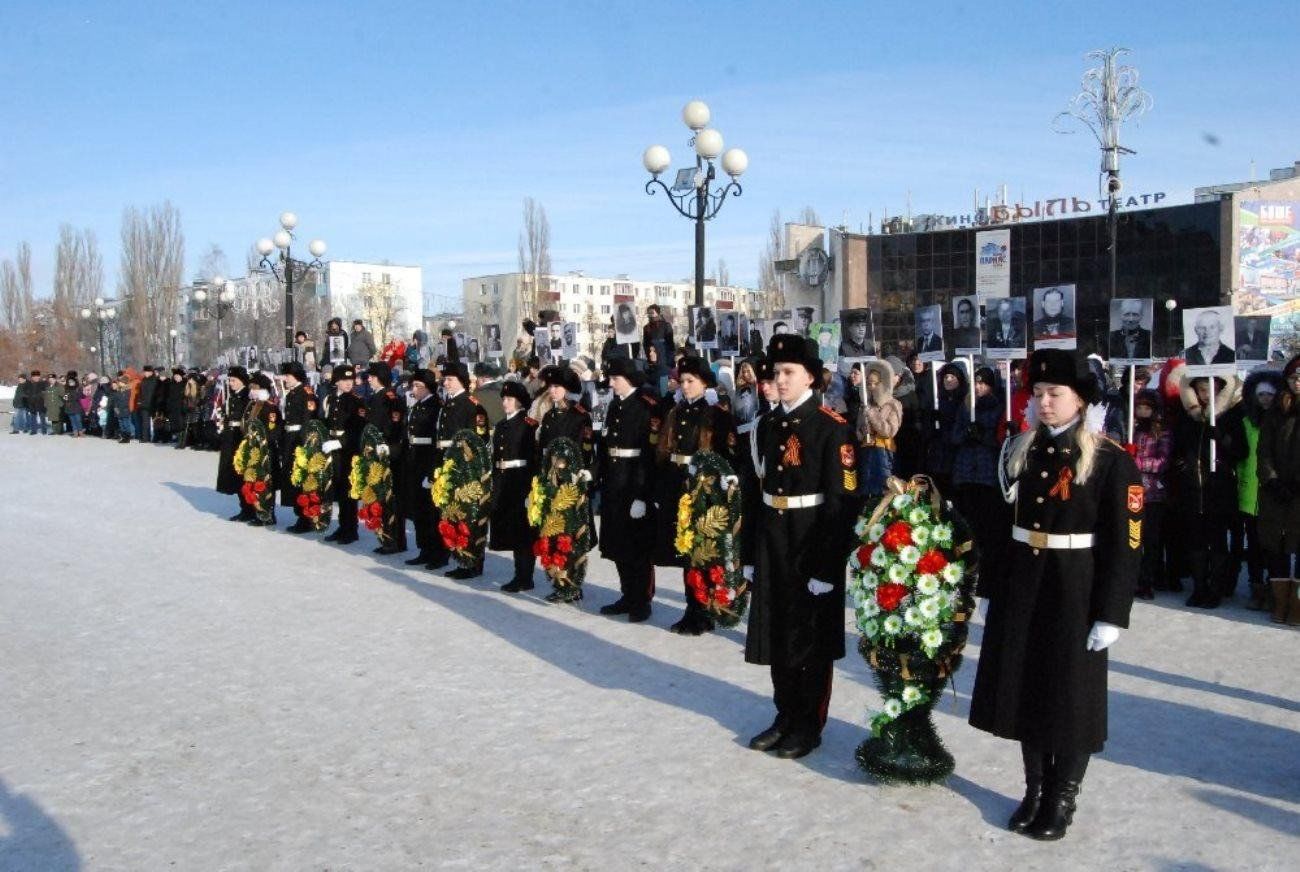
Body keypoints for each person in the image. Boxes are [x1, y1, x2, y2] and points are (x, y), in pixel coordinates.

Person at [969, 348, 1142, 841]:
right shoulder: (1019, 449)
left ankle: (1062, 797)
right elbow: (1000, 526)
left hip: (1075, 588)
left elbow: (1126, 543)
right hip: (1025, 581)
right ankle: (1034, 789)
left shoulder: (1110, 460)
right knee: (1026, 687)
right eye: (1038, 393)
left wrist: (1112, 612)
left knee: (1068, 695)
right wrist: (992, 587)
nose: (1044, 402)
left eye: (1055, 394)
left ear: (1081, 400)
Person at [743, 334, 855, 760]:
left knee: (810, 640)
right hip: (773, 538)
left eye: (789, 372)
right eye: (776, 373)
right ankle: (784, 715)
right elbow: (755, 493)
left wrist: (827, 567)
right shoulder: (767, 426)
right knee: (777, 632)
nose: (780, 380)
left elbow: (842, 503)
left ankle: (809, 723)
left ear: (810, 376)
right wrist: (750, 555)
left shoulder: (831, 427)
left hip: (811, 542)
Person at [652, 355, 736, 634]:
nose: (685, 386)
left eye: (691, 381)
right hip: (677, 488)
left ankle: (703, 610)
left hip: (703, 489)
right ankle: (692, 606)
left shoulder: (716, 416)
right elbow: (665, 453)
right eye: (683, 381)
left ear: (704, 383)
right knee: (685, 550)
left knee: (703, 552)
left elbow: (725, 457)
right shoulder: (675, 412)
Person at [1170, 369, 1245, 608]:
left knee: (1218, 539)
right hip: (1193, 488)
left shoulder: (1231, 416)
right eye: (1201, 390)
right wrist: (1180, 463)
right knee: (1196, 540)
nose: (1205, 395)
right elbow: (1177, 445)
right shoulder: (1187, 417)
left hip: (1219, 488)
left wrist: (1222, 438)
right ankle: (1199, 586)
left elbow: (1241, 451)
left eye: (1211, 390)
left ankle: (1216, 588)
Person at [595, 357, 659, 622]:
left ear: (629, 379)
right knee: (618, 543)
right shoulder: (614, 407)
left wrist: (643, 495)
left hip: (634, 482)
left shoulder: (646, 407)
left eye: (615, 379)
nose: (611, 384)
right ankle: (627, 594)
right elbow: (606, 445)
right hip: (614, 483)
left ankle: (641, 599)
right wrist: (595, 474)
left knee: (637, 547)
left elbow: (651, 453)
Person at [949, 366, 1009, 584]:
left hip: (986, 472)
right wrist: (966, 433)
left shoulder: (997, 406)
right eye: (975, 382)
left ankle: (984, 560)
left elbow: (999, 440)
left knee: (985, 520)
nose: (977, 386)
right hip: (965, 471)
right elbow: (954, 436)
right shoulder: (965, 407)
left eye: (982, 383)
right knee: (966, 519)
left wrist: (983, 436)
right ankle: (967, 559)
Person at [436, 360, 492, 577]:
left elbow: (479, 440)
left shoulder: (471, 405)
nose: (446, 383)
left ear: (461, 381)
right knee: (454, 515)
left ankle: (472, 562)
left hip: (465, 469)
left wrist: (467, 468)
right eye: (445, 379)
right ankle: (460, 557)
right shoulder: (448, 403)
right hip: (448, 466)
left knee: (469, 516)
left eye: (450, 379)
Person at [1255, 357, 1300, 624]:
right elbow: (1264, 451)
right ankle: (1279, 603)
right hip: (1276, 492)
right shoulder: (1276, 411)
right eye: (1294, 378)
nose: (1297, 382)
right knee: (1277, 547)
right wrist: (1271, 480)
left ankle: (1297, 606)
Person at [1234, 371, 1281, 609]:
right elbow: (1241, 457)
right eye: (1260, 394)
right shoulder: (1245, 422)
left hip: (1273, 493)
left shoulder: (1281, 422)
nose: (1265, 399)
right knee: (1253, 545)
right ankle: (1256, 587)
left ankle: (1276, 590)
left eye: (1269, 394)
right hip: (1248, 492)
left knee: (1273, 547)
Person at [491, 379, 540, 592]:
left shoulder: (528, 424)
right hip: (504, 479)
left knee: (523, 531)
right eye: (504, 399)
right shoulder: (501, 424)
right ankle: (518, 574)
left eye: (510, 399)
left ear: (519, 402)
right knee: (511, 528)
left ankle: (525, 576)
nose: (505, 403)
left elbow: (534, 457)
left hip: (520, 480)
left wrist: (531, 487)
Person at [401, 368, 445, 569]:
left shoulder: (436, 406)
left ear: (428, 387)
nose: (415, 389)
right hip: (414, 459)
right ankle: (424, 548)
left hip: (427, 458)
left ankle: (437, 551)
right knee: (418, 508)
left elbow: (435, 439)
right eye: (414, 385)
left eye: (418, 386)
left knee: (430, 511)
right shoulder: (417, 406)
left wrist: (432, 469)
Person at [1131, 389, 1172, 600]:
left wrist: (1137, 462)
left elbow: (1163, 461)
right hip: (1134, 492)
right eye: (1140, 407)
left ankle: (1149, 579)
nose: (1142, 411)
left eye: (1147, 408)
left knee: (1152, 538)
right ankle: (1136, 578)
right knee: (1134, 537)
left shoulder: (1161, 432)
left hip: (1154, 492)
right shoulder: (1133, 429)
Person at [321, 365, 367, 545]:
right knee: (338, 489)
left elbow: (358, 429)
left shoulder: (356, 401)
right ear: (337, 381)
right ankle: (342, 526)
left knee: (348, 491)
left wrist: (340, 442)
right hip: (332, 449)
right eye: (344, 380)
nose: (348, 383)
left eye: (351, 380)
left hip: (348, 450)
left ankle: (350, 529)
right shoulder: (331, 399)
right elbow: (327, 421)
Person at [279, 362, 318, 533]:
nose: (285, 379)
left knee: (302, 478)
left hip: (299, 440)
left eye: (287, 376)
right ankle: (299, 514)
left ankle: (306, 517)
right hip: (290, 438)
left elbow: (308, 419)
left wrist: (304, 443)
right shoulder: (292, 393)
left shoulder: (306, 393)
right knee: (292, 477)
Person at [856, 360, 902, 500]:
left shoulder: (894, 404)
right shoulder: (865, 405)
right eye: (869, 384)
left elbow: (889, 431)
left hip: (884, 454)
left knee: (884, 490)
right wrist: (863, 431)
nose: (872, 387)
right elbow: (858, 431)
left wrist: (872, 415)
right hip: (866, 452)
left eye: (875, 383)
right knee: (866, 491)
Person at [242, 372, 283, 526]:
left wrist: (263, 442)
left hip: (266, 451)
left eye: (254, 387)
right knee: (255, 481)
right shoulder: (252, 405)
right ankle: (258, 511)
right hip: (253, 450)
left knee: (266, 483)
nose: (251, 389)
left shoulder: (268, 407)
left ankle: (268, 514)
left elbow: (275, 429)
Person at [215, 367, 252, 518]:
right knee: (233, 474)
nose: (230, 383)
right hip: (230, 437)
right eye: (230, 380)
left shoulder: (247, 397)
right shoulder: (233, 396)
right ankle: (243, 507)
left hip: (240, 437)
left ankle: (249, 508)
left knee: (242, 473)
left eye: (233, 380)